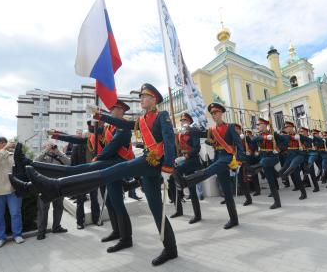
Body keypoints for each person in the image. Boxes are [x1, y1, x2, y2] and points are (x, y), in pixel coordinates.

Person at [21, 83, 177, 266]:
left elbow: (169, 140)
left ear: (154, 99)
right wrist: (99, 115)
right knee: (156, 208)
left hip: (152, 161)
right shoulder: (142, 119)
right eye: (141, 96)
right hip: (147, 165)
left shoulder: (162, 116)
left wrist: (168, 166)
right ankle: (171, 248)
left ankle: (56, 187)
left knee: (111, 171)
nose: (141, 99)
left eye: (144, 96)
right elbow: (122, 123)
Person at [173, 102, 246, 229]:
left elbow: (239, 145)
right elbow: (201, 134)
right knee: (227, 192)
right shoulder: (212, 130)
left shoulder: (230, 127)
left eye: (215, 113)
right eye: (212, 113)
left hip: (226, 157)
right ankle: (234, 219)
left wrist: (239, 161)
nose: (213, 115)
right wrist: (189, 130)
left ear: (221, 113)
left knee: (208, 171)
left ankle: (186, 181)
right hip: (218, 157)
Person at [0, 137, 24, 249]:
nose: (4, 144)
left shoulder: (12, 155)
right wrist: (4, 149)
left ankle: (17, 235)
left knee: (16, 213)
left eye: (5, 142)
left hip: (13, 189)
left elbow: (21, 165)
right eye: (1, 143)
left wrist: (18, 148)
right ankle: (0, 238)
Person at [169, 112, 202, 224]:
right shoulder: (180, 134)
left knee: (191, 186)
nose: (183, 123)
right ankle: (178, 209)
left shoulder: (194, 132)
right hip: (182, 160)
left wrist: (187, 155)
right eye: (182, 121)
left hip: (192, 160)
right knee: (171, 182)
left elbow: (197, 147)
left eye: (185, 121)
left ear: (190, 122)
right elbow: (176, 147)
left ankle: (197, 214)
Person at [34, 142, 70, 240]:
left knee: (58, 207)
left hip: (58, 185)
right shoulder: (42, 156)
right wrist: (46, 150)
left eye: (52, 145)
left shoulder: (60, 155)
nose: (51, 147)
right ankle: (41, 231)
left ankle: (56, 227)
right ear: (44, 147)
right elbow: (35, 162)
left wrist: (58, 152)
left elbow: (69, 163)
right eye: (48, 145)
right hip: (44, 186)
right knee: (43, 209)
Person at [250, 118, 282, 209]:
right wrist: (264, 137)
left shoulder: (273, 134)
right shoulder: (259, 135)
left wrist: (278, 149)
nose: (258, 127)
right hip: (264, 158)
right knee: (271, 181)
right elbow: (253, 140)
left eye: (259, 125)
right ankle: (277, 202)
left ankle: (255, 168)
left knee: (263, 162)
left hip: (273, 157)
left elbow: (284, 141)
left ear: (264, 125)